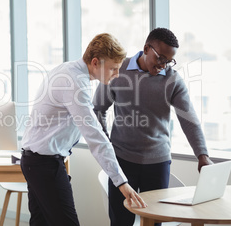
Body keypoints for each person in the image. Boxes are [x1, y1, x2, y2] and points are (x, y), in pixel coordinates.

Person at [20, 33, 147, 226]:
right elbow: (94, 136)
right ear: (95, 62)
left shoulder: (68, 70)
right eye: (113, 68)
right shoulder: (75, 83)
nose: (117, 74)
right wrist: (121, 182)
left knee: (40, 222)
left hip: (34, 162)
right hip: (44, 165)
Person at [93, 27, 213, 226]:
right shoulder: (117, 70)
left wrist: (202, 155)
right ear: (146, 48)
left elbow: (189, 119)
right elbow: (97, 110)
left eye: (168, 61)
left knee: (155, 222)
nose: (163, 65)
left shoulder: (173, 80)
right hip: (121, 161)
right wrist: (107, 144)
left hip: (157, 164)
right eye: (160, 58)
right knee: (120, 222)